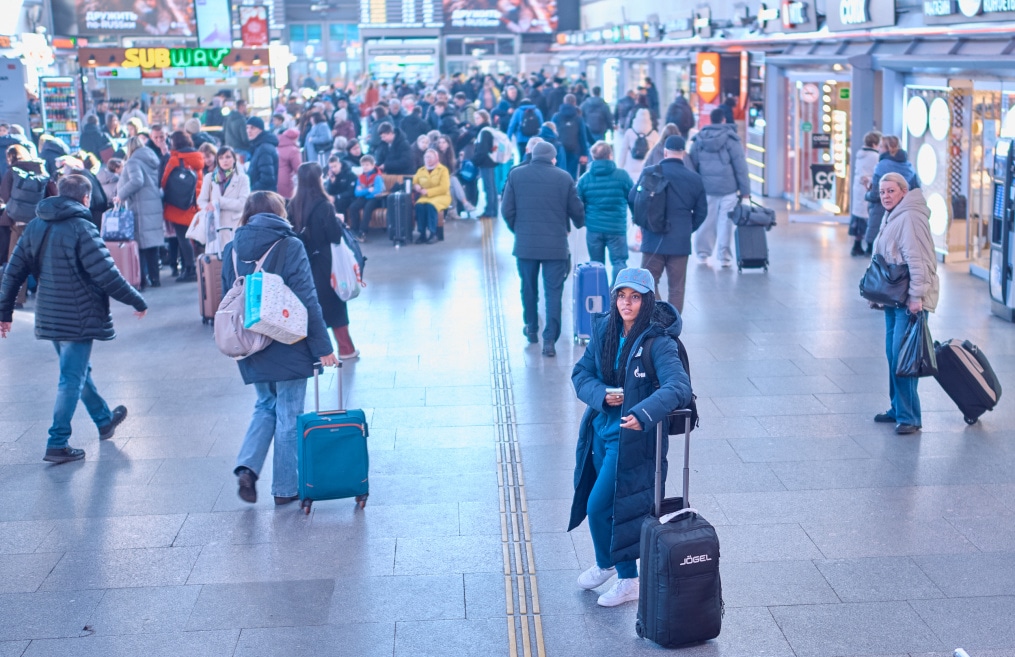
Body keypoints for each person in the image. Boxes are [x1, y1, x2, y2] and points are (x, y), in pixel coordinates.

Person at [0, 174, 146, 464]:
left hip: (50, 315)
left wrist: (5, 313)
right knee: (71, 377)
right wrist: (136, 299)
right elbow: (107, 274)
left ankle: (103, 420)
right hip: (78, 315)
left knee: (77, 371)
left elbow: (13, 271)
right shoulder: (83, 228)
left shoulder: (35, 226)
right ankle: (57, 442)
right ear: (85, 198)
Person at [569, 267, 692, 607]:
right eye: (622, 296)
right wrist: (602, 393)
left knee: (600, 506)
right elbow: (581, 373)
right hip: (602, 431)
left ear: (647, 300)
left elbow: (679, 387)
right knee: (606, 505)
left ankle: (625, 578)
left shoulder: (658, 342)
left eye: (635, 297)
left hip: (635, 440)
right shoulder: (606, 329)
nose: (627, 303)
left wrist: (643, 412)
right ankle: (613, 566)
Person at [221, 191, 338, 505]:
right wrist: (322, 346)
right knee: (288, 412)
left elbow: (227, 299)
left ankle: (247, 467)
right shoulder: (289, 245)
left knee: (264, 406)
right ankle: (286, 489)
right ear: (278, 212)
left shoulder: (231, 248)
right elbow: (306, 298)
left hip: (249, 343)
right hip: (287, 341)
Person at [501, 141, 585, 357]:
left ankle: (531, 328)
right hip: (555, 246)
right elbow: (576, 211)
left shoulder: (516, 174)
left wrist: (518, 229)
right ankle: (549, 340)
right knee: (553, 293)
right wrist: (579, 221)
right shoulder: (564, 177)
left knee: (528, 288)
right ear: (553, 158)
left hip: (525, 246)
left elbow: (506, 209)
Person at [871, 172, 939, 435]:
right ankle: (898, 408)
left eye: (891, 191)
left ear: (903, 191)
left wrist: (916, 297)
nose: (886, 196)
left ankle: (910, 416)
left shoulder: (910, 216)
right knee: (893, 355)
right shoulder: (894, 215)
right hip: (894, 298)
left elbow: (920, 260)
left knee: (904, 356)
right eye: (882, 192)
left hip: (910, 299)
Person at [289, 162, 359, 360]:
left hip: (303, 262)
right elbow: (335, 236)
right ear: (317, 179)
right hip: (326, 263)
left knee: (311, 306)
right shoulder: (324, 205)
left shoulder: (292, 205)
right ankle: (346, 349)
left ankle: (312, 352)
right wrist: (338, 220)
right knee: (335, 305)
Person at [634, 136, 708, 314]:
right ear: (683, 153)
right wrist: (688, 228)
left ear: (665, 152)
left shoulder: (650, 173)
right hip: (680, 241)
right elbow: (702, 211)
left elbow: (633, 199)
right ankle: (672, 325)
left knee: (648, 283)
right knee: (676, 287)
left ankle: (658, 318)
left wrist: (645, 224)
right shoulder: (694, 179)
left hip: (652, 238)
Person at [687, 108, 751, 268]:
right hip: (728, 189)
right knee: (726, 222)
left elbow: (692, 168)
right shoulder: (731, 140)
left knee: (706, 221)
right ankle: (724, 257)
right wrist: (745, 192)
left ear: (711, 120)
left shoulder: (699, 140)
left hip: (706, 188)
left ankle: (702, 254)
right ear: (723, 120)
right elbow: (740, 167)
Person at [0, 145, 57, 298]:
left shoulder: (12, 172)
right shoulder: (40, 169)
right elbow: (52, 193)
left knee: (15, 261)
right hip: (38, 222)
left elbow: (4, 196)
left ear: (11, 157)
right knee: (40, 259)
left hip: (17, 222)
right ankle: (47, 293)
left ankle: (17, 298)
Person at [577, 141, 634, 285]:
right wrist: (636, 217)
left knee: (596, 264)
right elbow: (633, 199)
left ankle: (598, 296)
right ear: (610, 155)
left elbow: (577, 203)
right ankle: (616, 295)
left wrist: (584, 220)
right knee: (619, 262)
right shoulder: (622, 176)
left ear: (593, 157)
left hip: (594, 228)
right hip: (616, 228)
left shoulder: (585, 179)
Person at [115, 136, 165, 288]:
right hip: (153, 204)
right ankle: (155, 279)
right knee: (152, 247)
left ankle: (141, 280)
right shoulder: (151, 160)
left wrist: (120, 195)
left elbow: (137, 181)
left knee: (140, 247)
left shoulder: (132, 161)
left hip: (140, 207)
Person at [161, 130, 205, 283]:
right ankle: (191, 267)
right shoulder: (197, 158)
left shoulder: (175, 160)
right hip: (193, 202)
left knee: (183, 238)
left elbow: (164, 181)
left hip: (178, 205)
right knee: (190, 237)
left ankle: (190, 269)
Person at [864, 135, 920, 249]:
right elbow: (916, 190)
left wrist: (867, 195)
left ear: (888, 148)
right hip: (903, 215)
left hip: (881, 214)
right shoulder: (909, 166)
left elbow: (875, 195)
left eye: (880, 147)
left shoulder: (881, 166)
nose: (878, 149)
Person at [197, 145, 250, 252]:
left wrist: (219, 202)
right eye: (221, 158)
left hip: (234, 225)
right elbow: (201, 200)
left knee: (233, 259)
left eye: (228, 157)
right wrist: (208, 206)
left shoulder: (243, 178)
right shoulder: (210, 177)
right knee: (215, 262)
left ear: (234, 159)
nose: (224, 161)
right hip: (214, 224)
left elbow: (243, 203)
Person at [851, 131, 881, 257]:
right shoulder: (875, 156)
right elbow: (876, 172)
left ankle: (856, 246)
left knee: (859, 218)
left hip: (858, 188)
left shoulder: (860, 154)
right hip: (868, 187)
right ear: (874, 144)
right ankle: (870, 247)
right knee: (870, 219)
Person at [412, 148, 452, 244]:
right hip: (424, 197)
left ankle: (433, 233)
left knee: (431, 206)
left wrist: (428, 192)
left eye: (430, 157)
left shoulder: (443, 170)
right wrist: (416, 186)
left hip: (441, 196)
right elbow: (415, 181)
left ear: (436, 158)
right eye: (426, 157)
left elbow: (444, 187)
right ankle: (422, 234)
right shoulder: (421, 170)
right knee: (419, 206)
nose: (427, 159)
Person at [551, 94, 591, 180]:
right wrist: (584, 154)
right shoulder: (578, 118)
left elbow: (552, 134)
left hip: (559, 150)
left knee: (560, 173)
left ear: (564, 102)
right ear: (575, 103)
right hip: (575, 150)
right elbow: (583, 137)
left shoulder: (556, 117)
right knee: (572, 176)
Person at [346, 155, 385, 241]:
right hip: (365, 197)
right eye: (363, 165)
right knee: (353, 207)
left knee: (368, 208)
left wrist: (364, 191)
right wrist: (368, 190)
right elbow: (356, 193)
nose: (365, 167)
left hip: (375, 199)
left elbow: (377, 191)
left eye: (367, 165)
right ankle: (354, 230)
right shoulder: (360, 178)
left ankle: (362, 232)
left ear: (372, 165)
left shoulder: (377, 177)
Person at [617, 108, 658, 182]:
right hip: (647, 167)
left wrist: (620, 167)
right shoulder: (654, 134)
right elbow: (657, 154)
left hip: (631, 167)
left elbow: (623, 151)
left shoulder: (629, 133)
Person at [472, 110, 499, 220]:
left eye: (478, 118)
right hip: (491, 162)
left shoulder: (484, 131)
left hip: (486, 163)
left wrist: (474, 161)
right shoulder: (489, 130)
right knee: (491, 186)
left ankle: (489, 211)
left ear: (484, 118)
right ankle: (493, 210)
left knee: (488, 187)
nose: (476, 120)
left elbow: (482, 150)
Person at [246, 116, 280, 193]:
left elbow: (267, 179)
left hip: (263, 198)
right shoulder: (258, 146)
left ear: (260, 130)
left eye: (253, 128)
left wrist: (250, 191)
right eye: (247, 128)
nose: (249, 131)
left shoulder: (264, 149)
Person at [276, 128, 302, 199]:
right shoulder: (293, 150)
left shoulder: (276, 146)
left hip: (275, 180)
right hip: (287, 181)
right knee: (287, 204)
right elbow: (299, 169)